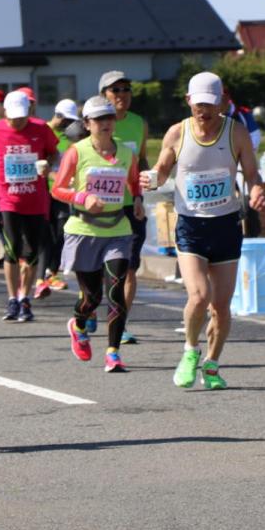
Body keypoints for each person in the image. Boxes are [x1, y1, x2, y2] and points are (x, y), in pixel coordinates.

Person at [143, 72, 265, 390]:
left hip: (225, 225)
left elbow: (252, 173)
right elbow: (161, 170)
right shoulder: (177, 133)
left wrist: (256, 191)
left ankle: (212, 364)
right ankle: (189, 350)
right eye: (199, 105)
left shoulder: (235, 133)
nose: (205, 112)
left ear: (223, 102)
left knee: (221, 307)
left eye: (211, 105)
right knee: (199, 296)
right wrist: (152, 179)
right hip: (191, 226)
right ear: (188, 102)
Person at [51, 95, 143, 372]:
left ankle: (113, 352)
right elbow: (57, 189)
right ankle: (78, 324)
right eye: (99, 119)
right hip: (84, 229)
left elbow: (134, 182)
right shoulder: (76, 152)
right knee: (91, 297)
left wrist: (137, 199)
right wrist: (82, 197)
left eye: (110, 117)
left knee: (116, 291)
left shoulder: (126, 153)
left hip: (118, 229)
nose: (106, 123)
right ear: (87, 124)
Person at [0, 89, 60, 322]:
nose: (18, 121)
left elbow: (54, 153)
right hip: (7, 199)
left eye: (22, 117)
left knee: (32, 252)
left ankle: (25, 298)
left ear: (29, 111)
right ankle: (13, 298)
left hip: (36, 200)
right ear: (5, 112)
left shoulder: (41, 129)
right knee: (12, 249)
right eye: (13, 117)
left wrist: (48, 165)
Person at [99, 71, 148, 345]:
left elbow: (141, 161)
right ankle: (90, 307)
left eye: (126, 89)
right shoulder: (93, 124)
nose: (122, 94)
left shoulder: (139, 123)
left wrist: (145, 188)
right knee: (99, 268)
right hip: (99, 208)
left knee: (128, 268)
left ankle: (121, 323)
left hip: (131, 205)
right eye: (115, 90)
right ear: (103, 95)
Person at [34, 98, 79, 299]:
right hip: (45, 189)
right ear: (57, 115)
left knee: (61, 232)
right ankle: (40, 276)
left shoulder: (70, 137)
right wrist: (55, 177)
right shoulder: (42, 131)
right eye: (67, 120)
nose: (69, 124)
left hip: (63, 192)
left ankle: (51, 273)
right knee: (45, 234)